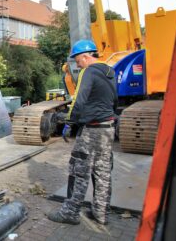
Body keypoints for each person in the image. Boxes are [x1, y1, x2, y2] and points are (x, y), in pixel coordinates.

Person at [48, 39, 118, 226]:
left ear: (86, 57)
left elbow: (79, 101)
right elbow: (114, 100)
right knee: (103, 171)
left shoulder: (89, 72)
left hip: (92, 130)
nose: (77, 65)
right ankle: (101, 213)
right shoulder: (110, 71)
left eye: (78, 61)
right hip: (108, 128)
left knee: (79, 170)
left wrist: (70, 122)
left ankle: (70, 212)